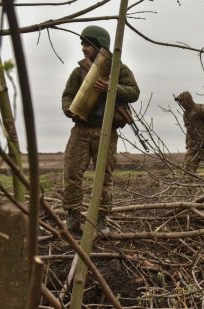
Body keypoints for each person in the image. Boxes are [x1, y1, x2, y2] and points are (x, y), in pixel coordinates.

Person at [61, 25, 140, 234]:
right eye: (82, 44)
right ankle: (72, 218)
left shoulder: (118, 69)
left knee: (103, 177)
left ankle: (101, 221)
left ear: (99, 45)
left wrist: (111, 87)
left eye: (87, 44)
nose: (83, 48)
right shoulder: (79, 71)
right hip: (81, 130)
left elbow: (134, 92)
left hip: (106, 130)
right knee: (71, 173)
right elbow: (67, 97)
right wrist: (70, 111)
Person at [174, 91, 204, 175]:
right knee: (187, 173)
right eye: (180, 102)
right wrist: (188, 143)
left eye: (182, 101)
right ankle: (187, 188)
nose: (181, 104)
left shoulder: (201, 108)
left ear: (188, 100)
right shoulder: (185, 114)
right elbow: (189, 130)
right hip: (193, 146)